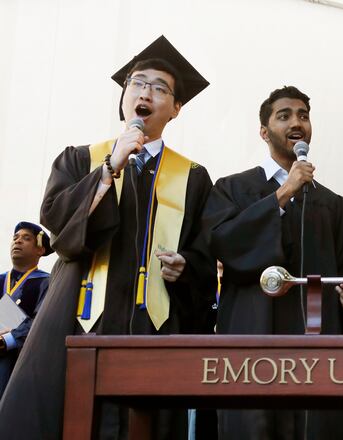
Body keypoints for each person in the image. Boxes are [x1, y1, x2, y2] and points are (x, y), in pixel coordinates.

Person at [0, 36, 216, 440]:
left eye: (158, 87)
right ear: (124, 99)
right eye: (136, 83)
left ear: (176, 108)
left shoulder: (194, 179)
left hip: (155, 327)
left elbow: (207, 254)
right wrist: (108, 169)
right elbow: (59, 228)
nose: (145, 92)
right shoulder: (80, 158)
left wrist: (187, 265)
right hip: (78, 319)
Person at [202, 85, 343, 439]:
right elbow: (222, 243)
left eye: (304, 116)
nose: (297, 122)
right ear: (264, 132)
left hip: (317, 344)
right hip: (252, 335)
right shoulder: (232, 188)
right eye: (285, 116)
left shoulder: (333, 204)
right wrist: (283, 194)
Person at [0, 222, 52, 398]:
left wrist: (7, 339)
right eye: (15, 238)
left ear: (40, 250)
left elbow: (42, 320)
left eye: (26, 238)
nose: (18, 241)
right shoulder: (0, 280)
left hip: (19, 363)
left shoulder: (47, 283)